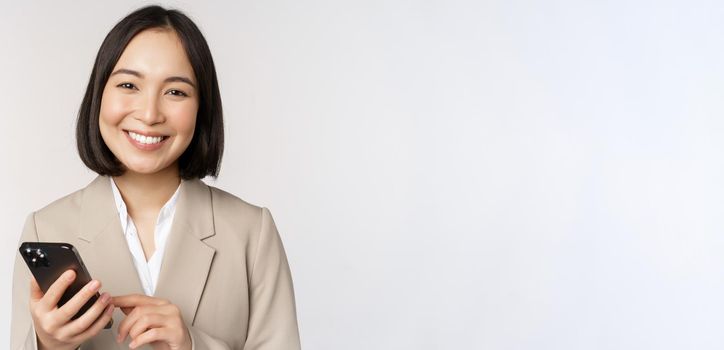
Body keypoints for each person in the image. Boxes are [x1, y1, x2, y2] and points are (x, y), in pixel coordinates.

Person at [10, 5, 301, 350]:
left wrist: (192, 344)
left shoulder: (252, 233)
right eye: (129, 85)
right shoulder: (46, 229)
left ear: (201, 108)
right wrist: (48, 344)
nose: (149, 114)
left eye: (175, 91)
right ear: (99, 94)